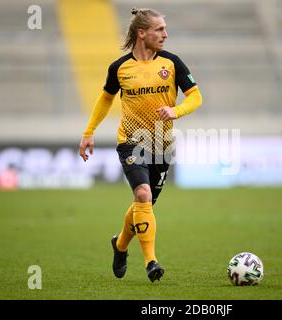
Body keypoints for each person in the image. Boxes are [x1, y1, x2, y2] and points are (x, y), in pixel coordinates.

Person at [79, 8, 202, 282]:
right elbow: (106, 98)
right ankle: (151, 263)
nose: (165, 34)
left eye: (165, 29)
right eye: (159, 29)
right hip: (131, 143)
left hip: (162, 145)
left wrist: (176, 111)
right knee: (143, 195)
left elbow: (196, 97)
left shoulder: (172, 63)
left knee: (142, 204)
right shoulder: (120, 67)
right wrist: (89, 132)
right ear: (141, 33)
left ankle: (120, 244)